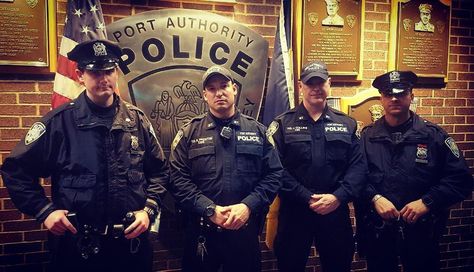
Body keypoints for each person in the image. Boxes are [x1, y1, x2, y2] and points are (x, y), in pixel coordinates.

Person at [1, 39, 169, 272]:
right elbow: (15, 170)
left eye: (109, 70)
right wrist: (44, 211)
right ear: (80, 75)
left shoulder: (137, 120)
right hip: (78, 248)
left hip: (131, 246)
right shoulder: (59, 123)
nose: (104, 78)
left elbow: (159, 171)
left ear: (116, 72)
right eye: (95, 72)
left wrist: (149, 210)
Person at [355, 71, 473, 272]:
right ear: (381, 98)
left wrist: (427, 202)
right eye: (388, 93)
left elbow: (461, 180)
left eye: (401, 93)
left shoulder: (433, 136)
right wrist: (375, 197)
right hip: (379, 231)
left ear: (411, 95)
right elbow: (355, 177)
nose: (394, 98)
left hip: (422, 231)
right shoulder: (367, 137)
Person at [169, 65, 283, 272]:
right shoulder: (189, 133)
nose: (219, 93)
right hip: (202, 232)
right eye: (212, 89)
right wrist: (208, 209)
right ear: (204, 95)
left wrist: (248, 206)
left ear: (235, 89)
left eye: (224, 86)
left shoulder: (258, 131)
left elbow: (274, 174)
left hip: (244, 233)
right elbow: (177, 179)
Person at [271, 61, 366, 272]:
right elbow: (275, 169)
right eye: (310, 83)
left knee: (338, 265)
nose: (316, 88)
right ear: (300, 86)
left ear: (329, 84)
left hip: (335, 211)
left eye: (320, 82)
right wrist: (306, 196)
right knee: (289, 265)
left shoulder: (347, 124)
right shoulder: (282, 125)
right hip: (295, 212)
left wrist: (338, 197)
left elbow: (358, 168)